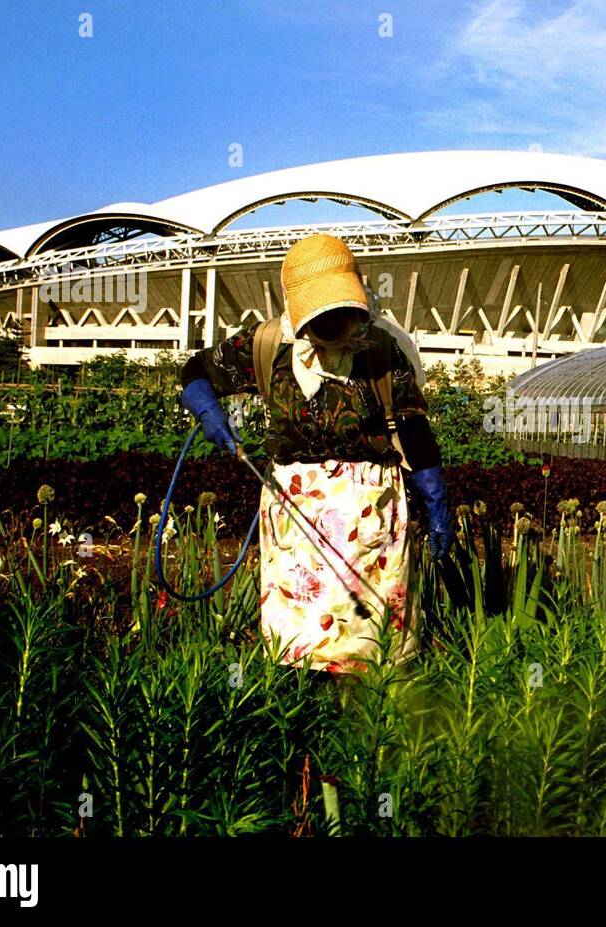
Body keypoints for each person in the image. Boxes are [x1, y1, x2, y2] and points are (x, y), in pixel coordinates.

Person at [178, 233, 452, 675]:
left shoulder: (380, 349)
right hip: (295, 516)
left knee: (373, 645)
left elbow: (412, 426)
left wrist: (435, 497)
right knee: (298, 638)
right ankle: (303, 721)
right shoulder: (266, 345)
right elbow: (196, 369)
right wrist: (206, 407)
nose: (332, 324)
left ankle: (369, 720)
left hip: (371, 515)